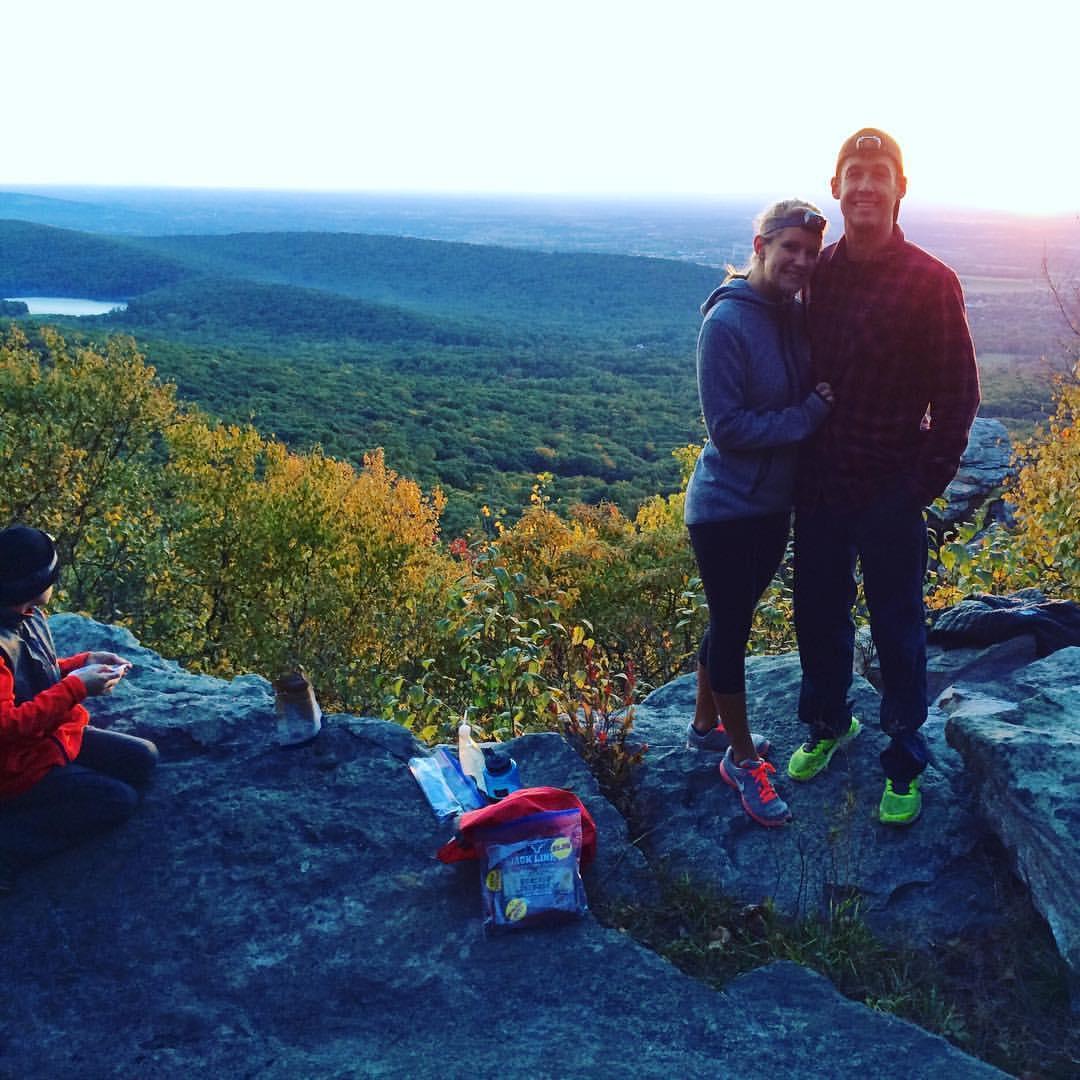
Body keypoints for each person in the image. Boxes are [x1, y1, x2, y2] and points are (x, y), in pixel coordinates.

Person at [790, 128, 980, 826]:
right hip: (818, 485)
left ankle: (904, 758)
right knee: (817, 612)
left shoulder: (931, 281)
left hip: (890, 488)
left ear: (902, 188)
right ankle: (830, 723)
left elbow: (959, 396)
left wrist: (916, 488)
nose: (866, 185)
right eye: (854, 173)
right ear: (835, 186)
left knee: (897, 625)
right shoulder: (818, 273)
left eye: (879, 173)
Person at [684, 200, 834, 827]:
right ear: (761, 244)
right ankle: (742, 761)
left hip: (773, 504)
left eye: (809, 251)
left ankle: (702, 725)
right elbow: (727, 427)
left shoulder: (792, 313)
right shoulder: (727, 323)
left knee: (733, 614)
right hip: (724, 509)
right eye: (788, 248)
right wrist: (809, 415)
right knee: (734, 626)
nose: (799, 261)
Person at [0, 525, 158, 892]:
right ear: (34, 585)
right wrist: (76, 688)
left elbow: (30, 670)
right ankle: (9, 846)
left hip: (47, 736)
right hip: (13, 767)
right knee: (117, 800)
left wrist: (81, 663)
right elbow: (7, 728)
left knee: (143, 759)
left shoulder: (21, 615)